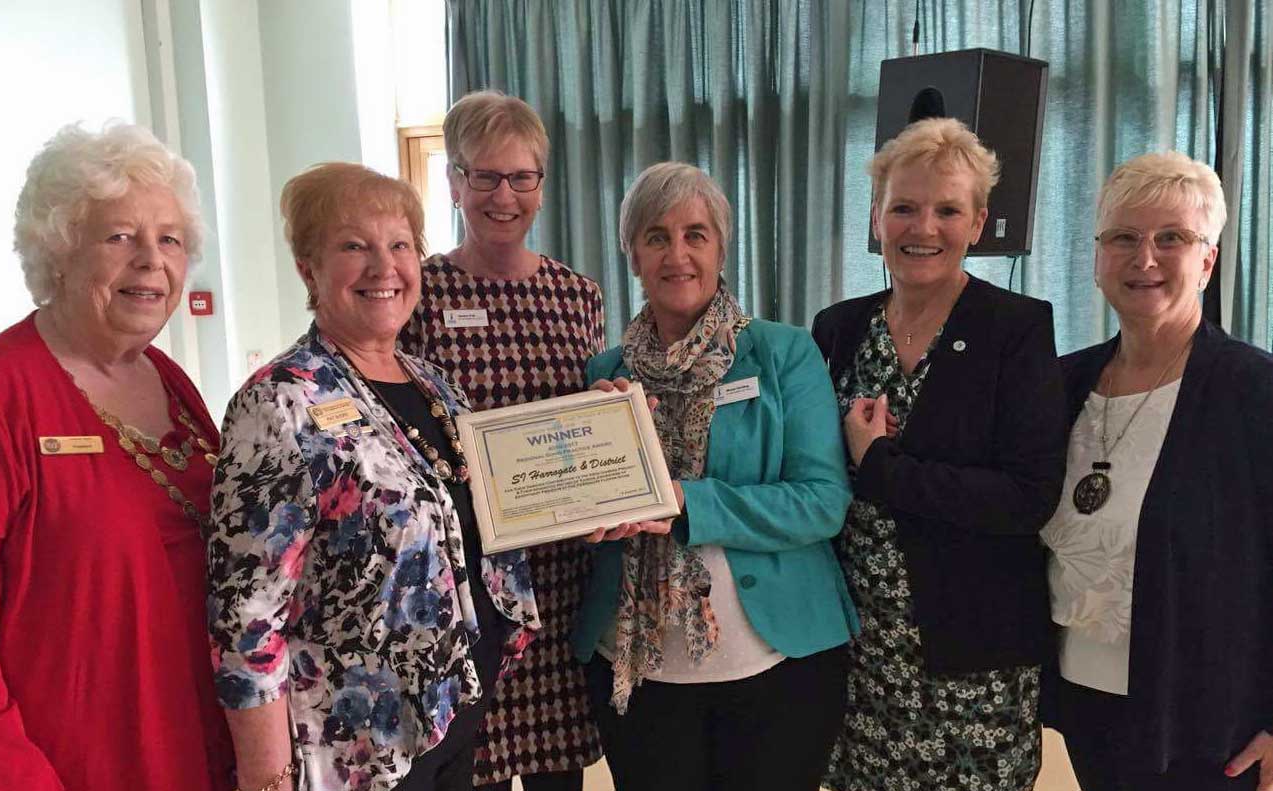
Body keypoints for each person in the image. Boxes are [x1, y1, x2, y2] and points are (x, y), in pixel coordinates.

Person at [206, 163, 541, 791]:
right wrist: (267, 773)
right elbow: (245, 612)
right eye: (354, 246)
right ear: (309, 268)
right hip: (355, 751)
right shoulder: (280, 403)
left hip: (448, 718)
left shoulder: (434, 385)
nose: (384, 267)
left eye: (400, 245)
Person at [0, 122, 232, 790]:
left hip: (197, 751)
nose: (150, 260)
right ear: (60, 251)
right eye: (120, 236)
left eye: (170, 239)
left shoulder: (171, 382)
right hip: (67, 766)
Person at [573, 161, 857, 791]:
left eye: (695, 234)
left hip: (776, 663)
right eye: (656, 236)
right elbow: (586, 520)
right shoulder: (607, 373)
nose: (678, 255)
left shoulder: (783, 353)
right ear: (633, 256)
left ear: (722, 247)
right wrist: (590, 485)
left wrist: (684, 502)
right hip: (639, 669)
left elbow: (821, 502)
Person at [812, 117, 1066, 791]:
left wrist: (880, 465)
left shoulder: (1015, 328)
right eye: (903, 207)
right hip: (857, 653)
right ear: (876, 218)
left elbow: (1026, 497)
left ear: (977, 222)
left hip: (970, 661)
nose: (922, 226)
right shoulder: (837, 329)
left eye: (947, 209)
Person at [1041, 151, 1273, 791]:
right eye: (1123, 238)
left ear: (1208, 260)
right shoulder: (1062, 384)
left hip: (1211, 723)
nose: (1144, 259)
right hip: (1081, 702)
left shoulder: (1254, 391)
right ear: (1096, 259)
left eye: (1171, 238)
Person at [397, 90, 605, 791]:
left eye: (521, 177)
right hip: (463, 583)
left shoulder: (579, 295)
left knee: (557, 776)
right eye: (483, 175)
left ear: (542, 187)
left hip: (556, 578)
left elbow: (596, 418)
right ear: (454, 181)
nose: (503, 194)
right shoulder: (415, 292)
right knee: (472, 768)